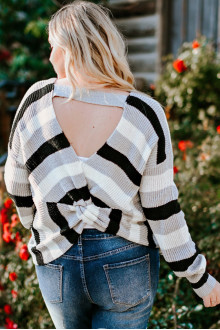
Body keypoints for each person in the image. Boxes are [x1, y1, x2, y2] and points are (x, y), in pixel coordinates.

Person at [4, 0, 220, 329]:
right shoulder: (144, 113)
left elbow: (16, 183)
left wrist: (35, 222)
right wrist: (199, 278)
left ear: (68, 48)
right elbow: (163, 211)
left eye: (53, 48)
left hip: (56, 259)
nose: (49, 58)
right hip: (124, 260)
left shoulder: (35, 102)